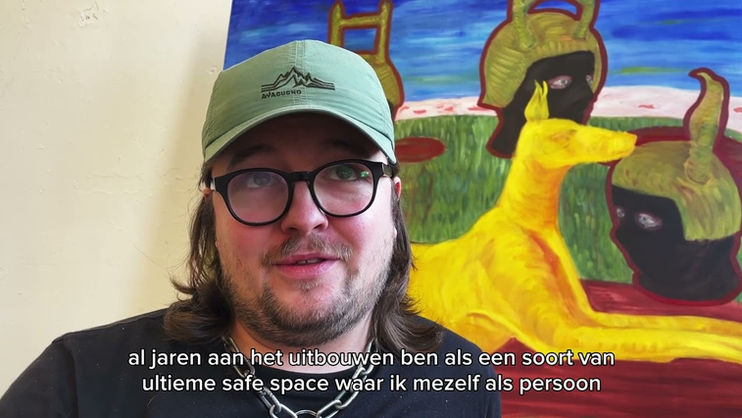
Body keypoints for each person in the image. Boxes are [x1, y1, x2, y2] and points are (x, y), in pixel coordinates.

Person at [0, 40, 501, 417]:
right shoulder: (78, 386)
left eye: (347, 171)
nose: (304, 217)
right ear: (212, 212)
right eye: (257, 178)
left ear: (393, 202)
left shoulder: (464, 387)